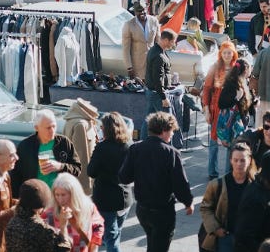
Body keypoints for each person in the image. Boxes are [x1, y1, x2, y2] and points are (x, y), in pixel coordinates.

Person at [119, 111, 193, 252]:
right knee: (160, 246)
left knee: (152, 242)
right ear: (164, 130)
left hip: (142, 210)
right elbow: (180, 183)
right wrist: (188, 202)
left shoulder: (136, 148)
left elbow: (124, 177)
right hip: (163, 212)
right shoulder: (171, 153)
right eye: (171, 131)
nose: (172, 134)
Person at [87, 112, 133, 252]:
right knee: (115, 233)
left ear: (106, 129)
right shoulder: (129, 146)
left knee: (111, 238)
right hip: (125, 198)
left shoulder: (102, 148)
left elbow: (91, 172)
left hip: (106, 199)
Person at [199, 142, 255, 252]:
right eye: (236, 160)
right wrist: (216, 229)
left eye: (242, 160)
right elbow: (205, 208)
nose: (239, 164)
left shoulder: (255, 186)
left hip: (247, 239)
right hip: (225, 237)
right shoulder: (217, 184)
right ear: (230, 161)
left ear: (249, 161)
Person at [12, 109, 82, 191]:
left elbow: (77, 169)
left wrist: (60, 166)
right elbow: (16, 176)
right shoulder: (26, 146)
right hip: (35, 197)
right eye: (48, 128)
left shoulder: (63, 143)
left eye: (54, 126)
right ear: (37, 128)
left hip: (59, 197)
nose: (52, 131)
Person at [203, 41, 239, 179]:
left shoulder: (237, 68)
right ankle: (212, 172)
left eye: (229, 52)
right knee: (214, 142)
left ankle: (228, 173)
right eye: (224, 52)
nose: (227, 55)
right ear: (220, 54)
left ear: (233, 53)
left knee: (231, 142)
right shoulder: (215, 67)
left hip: (232, 109)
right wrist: (206, 109)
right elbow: (206, 89)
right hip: (216, 107)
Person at [42, 173, 104, 252]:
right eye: (57, 195)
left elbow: (98, 226)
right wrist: (62, 225)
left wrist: (94, 246)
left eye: (63, 195)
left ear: (74, 194)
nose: (60, 200)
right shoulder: (48, 214)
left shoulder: (89, 207)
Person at [5, 179, 72, 252]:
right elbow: (64, 249)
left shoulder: (11, 223)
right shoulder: (43, 231)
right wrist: (63, 227)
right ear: (42, 206)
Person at [141, 29, 177, 140]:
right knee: (168, 121)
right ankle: (168, 147)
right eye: (172, 41)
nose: (173, 44)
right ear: (166, 40)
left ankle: (143, 143)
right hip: (157, 94)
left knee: (148, 120)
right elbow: (157, 79)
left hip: (153, 92)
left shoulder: (157, 50)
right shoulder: (159, 56)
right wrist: (163, 97)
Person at [63, 99, 99, 194]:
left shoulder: (82, 121)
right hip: (81, 181)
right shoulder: (80, 124)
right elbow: (81, 156)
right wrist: (85, 186)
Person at [122, 0, 161, 80]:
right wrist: (129, 68)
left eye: (143, 10)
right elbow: (125, 49)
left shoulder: (154, 21)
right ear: (135, 12)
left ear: (146, 9)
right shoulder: (129, 25)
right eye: (139, 11)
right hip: (137, 65)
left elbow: (158, 42)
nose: (142, 13)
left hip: (152, 62)